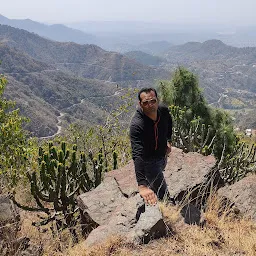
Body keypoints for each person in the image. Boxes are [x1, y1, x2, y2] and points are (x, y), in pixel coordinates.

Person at [130, 87, 172, 206]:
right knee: (163, 195)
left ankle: (151, 184)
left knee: (157, 177)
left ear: (157, 100)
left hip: (161, 155)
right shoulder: (137, 125)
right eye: (146, 102)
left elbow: (169, 122)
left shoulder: (163, 111)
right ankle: (167, 210)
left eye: (153, 101)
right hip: (148, 162)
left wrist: (168, 140)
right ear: (140, 104)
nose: (150, 105)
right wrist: (142, 186)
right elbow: (137, 154)